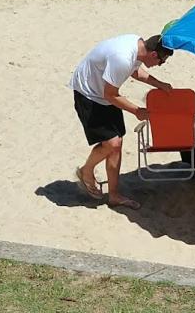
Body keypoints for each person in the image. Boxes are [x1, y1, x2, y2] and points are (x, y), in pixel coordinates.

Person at [70, 34, 174, 211]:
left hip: (104, 92)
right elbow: (110, 94)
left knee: (116, 144)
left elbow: (135, 71)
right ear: (154, 55)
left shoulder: (138, 46)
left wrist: (160, 84)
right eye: (162, 61)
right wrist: (136, 111)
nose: (160, 65)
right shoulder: (122, 58)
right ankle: (86, 171)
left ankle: (114, 196)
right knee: (112, 143)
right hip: (88, 93)